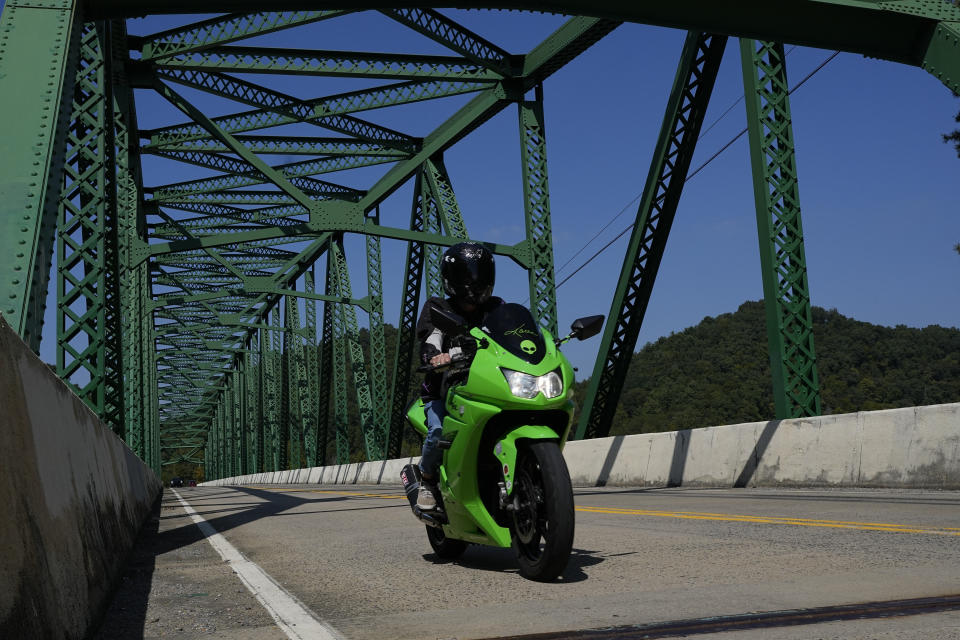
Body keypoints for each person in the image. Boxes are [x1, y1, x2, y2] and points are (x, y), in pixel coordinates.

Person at [415, 242, 502, 510]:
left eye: (478, 276)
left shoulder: (497, 307)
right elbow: (432, 337)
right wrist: (434, 356)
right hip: (443, 388)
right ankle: (427, 480)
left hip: (484, 386)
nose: (473, 285)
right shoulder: (439, 307)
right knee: (440, 431)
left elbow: (513, 332)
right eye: (467, 277)